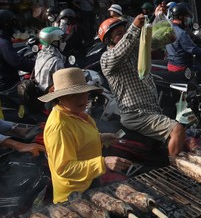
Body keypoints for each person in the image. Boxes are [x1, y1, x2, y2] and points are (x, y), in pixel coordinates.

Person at [40, 68, 131, 203]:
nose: (81, 98)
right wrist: (103, 162)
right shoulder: (59, 126)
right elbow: (64, 168)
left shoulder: (77, 114)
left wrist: (100, 138)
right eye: (72, 95)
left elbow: (78, 141)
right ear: (59, 98)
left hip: (89, 182)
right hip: (73, 196)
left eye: (83, 93)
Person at [100, 15, 186, 156]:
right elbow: (119, 51)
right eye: (118, 34)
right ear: (108, 40)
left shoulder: (134, 51)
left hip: (151, 110)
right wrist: (133, 28)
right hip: (136, 114)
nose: (123, 36)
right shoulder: (107, 59)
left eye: (124, 31)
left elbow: (151, 40)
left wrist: (159, 18)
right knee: (177, 129)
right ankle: (177, 168)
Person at [166, 3, 201, 80]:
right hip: (182, 66)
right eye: (187, 17)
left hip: (172, 63)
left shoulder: (169, 28)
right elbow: (194, 50)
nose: (188, 19)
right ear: (181, 17)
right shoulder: (181, 33)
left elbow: (194, 39)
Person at [0, 10, 35, 91]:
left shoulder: (3, 40)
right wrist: (37, 65)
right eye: (12, 22)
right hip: (8, 87)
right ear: (6, 24)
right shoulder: (3, 43)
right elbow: (17, 62)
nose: (14, 24)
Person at [34, 27, 67, 94]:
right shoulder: (56, 61)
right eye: (61, 40)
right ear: (54, 42)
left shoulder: (40, 55)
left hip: (39, 92)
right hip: (50, 97)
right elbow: (61, 85)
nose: (64, 42)